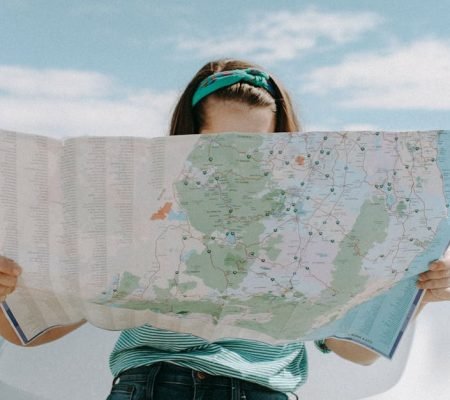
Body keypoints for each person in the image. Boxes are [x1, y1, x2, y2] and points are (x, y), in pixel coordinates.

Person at [1, 58, 449, 400]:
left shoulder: (315, 221)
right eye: (221, 147)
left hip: (262, 388)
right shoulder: (134, 207)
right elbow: (34, 332)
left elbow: (358, 351)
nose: (240, 163)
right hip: (155, 382)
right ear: (187, 141)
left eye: (257, 148)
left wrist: (416, 292)